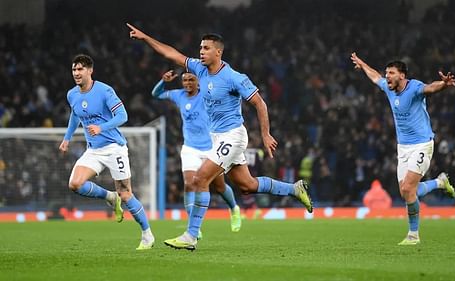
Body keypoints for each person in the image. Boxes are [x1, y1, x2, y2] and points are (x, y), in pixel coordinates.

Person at [127, 23, 313, 251]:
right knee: (247, 185)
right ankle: (294, 189)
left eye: (206, 48)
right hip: (217, 137)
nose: (201, 52)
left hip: (233, 136)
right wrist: (146, 37)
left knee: (199, 179)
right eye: (200, 48)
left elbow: (259, 103)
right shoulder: (199, 69)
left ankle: (191, 235)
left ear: (218, 52)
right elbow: (172, 53)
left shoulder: (234, 78)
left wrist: (265, 134)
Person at [350, 52, 455, 245]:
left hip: (422, 143)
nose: (387, 76)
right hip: (404, 147)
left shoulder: (414, 87)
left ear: (402, 76)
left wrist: (443, 84)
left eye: (391, 73)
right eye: (387, 72)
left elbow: (430, 88)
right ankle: (439, 183)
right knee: (406, 192)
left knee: (408, 188)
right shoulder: (389, 88)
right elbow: (375, 76)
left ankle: (413, 235)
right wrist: (362, 64)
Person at [59, 54, 154, 250]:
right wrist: (67, 138)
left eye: (80, 69)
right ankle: (110, 197)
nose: (76, 73)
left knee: (126, 194)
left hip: (114, 149)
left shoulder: (104, 91)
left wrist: (102, 128)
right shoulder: (72, 94)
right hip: (93, 150)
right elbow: (75, 116)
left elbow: (123, 116)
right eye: (74, 70)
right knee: (75, 184)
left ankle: (147, 234)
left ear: (90, 71)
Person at [151, 70, 242, 233]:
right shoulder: (179, 95)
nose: (187, 83)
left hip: (211, 148)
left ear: (198, 81)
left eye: (191, 80)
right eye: (185, 80)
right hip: (190, 148)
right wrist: (163, 81)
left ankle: (234, 209)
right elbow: (156, 94)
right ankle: (193, 226)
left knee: (220, 187)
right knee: (189, 184)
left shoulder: (206, 94)